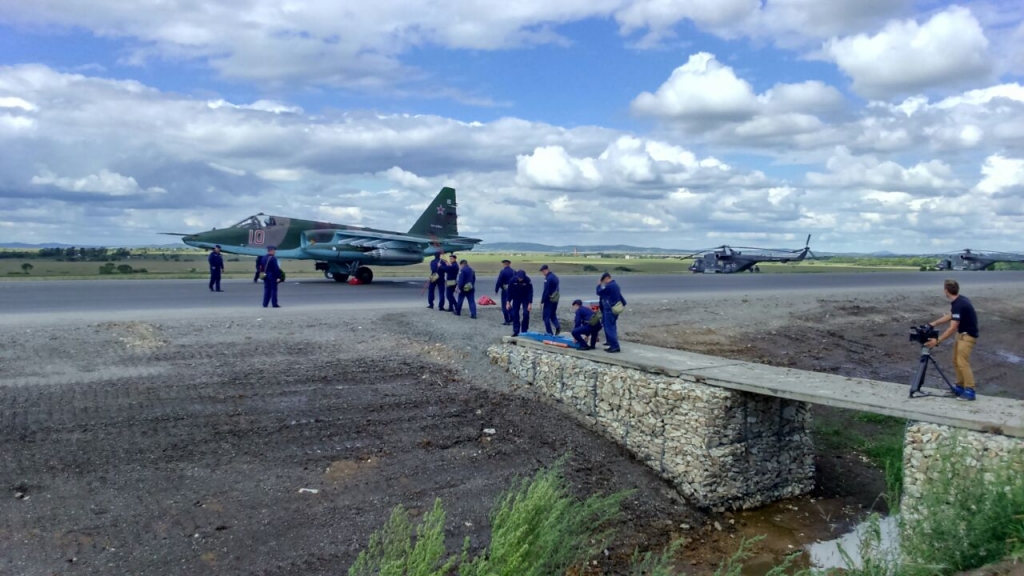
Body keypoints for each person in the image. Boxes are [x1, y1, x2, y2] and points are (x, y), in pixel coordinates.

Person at [925, 279, 979, 401]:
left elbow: (952, 328)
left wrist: (937, 341)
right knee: (956, 361)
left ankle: (970, 391)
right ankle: (960, 387)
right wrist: (934, 323)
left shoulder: (959, 303)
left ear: (946, 290)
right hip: (962, 335)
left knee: (963, 363)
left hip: (967, 336)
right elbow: (951, 315)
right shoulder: (959, 301)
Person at [596, 272, 626, 353]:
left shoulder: (609, 286)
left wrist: (599, 285)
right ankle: (611, 342)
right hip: (616, 308)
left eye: (603, 280)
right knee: (612, 326)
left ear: (606, 278)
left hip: (610, 309)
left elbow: (599, 292)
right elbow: (621, 297)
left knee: (609, 327)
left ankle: (614, 346)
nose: (604, 282)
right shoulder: (616, 285)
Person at [507, 270, 533, 336]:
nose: (520, 279)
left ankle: (524, 330)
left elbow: (530, 292)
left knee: (526, 313)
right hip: (516, 298)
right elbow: (509, 292)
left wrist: (530, 303)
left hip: (525, 298)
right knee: (515, 313)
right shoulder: (512, 280)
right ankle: (516, 330)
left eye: (521, 278)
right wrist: (508, 302)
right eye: (519, 278)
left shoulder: (527, 280)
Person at [539, 264, 561, 335]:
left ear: (546, 270)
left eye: (543, 271)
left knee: (546, 317)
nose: (543, 273)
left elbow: (546, 290)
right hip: (555, 299)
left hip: (549, 299)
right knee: (552, 314)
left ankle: (549, 332)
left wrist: (542, 300)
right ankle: (557, 326)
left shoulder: (548, 278)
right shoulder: (555, 277)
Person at [495, 259, 515, 326]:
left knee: (504, 305)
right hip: (513, 289)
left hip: (506, 290)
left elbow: (499, 281)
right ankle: (513, 318)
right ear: (509, 264)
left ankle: (507, 320)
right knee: (509, 304)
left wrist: (496, 289)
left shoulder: (503, 272)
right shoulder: (514, 271)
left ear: (504, 264)